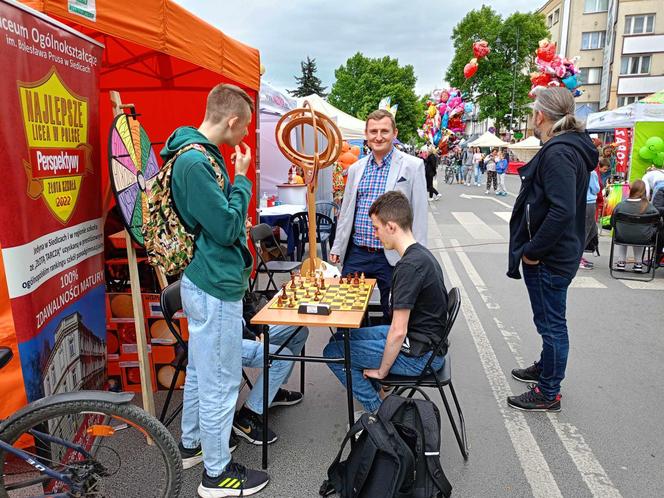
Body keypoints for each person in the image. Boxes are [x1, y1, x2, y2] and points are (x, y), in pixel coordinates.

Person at [166, 83, 269, 497]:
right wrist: (242, 180)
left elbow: (217, 220)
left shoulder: (198, 156)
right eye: (244, 128)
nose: (244, 136)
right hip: (213, 283)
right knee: (220, 381)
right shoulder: (195, 163)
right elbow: (227, 227)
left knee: (202, 373)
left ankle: (192, 444)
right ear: (230, 121)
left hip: (207, 279)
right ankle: (217, 474)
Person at [507, 87, 598, 412]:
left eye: (533, 112)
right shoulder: (569, 147)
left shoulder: (559, 152)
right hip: (559, 252)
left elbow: (562, 210)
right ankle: (545, 368)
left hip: (550, 256)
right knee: (550, 321)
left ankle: (548, 391)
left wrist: (533, 250)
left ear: (541, 115)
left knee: (552, 325)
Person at [323, 191, 447, 414]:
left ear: (391, 226)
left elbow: (398, 331)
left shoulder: (408, 267)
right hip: (425, 343)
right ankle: (381, 400)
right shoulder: (420, 255)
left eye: (376, 227)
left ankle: (379, 413)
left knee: (333, 352)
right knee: (340, 337)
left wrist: (382, 372)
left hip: (420, 355)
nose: (375, 234)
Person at [329, 109, 428, 319]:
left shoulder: (412, 166)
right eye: (373, 131)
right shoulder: (356, 168)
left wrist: (418, 255)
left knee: (393, 312)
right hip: (358, 252)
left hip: (393, 255)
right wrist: (338, 245)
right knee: (345, 311)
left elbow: (419, 212)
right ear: (366, 134)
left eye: (384, 131)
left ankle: (388, 350)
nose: (378, 136)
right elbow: (347, 211)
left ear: (394, 133)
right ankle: (349, 349)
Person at [610, 179, 661, 272]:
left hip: (622, 237)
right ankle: (638, 263)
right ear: (644, 191)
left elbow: (612, 223)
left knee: (622, 230)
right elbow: (658, 223)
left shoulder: (620, 206)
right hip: (643, 238)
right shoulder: (649, 207)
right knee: (641, 231)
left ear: (631, 189)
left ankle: (621, 261)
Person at [579, 159, 606, 270]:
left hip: (580, 202)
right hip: (589, 203)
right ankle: (578, 257)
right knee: (586, 231)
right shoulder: (592, 173)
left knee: (586, 230)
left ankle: (578, 255)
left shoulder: (580, 170)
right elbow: (596, 189)